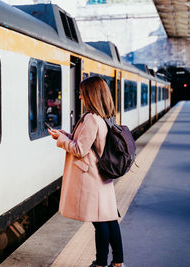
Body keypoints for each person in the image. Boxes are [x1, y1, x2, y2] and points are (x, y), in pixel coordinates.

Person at [48, 76, 125, 267]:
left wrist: (61, 141)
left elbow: (81, 150)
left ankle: (100, 264)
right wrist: (64, 135)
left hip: (92, 177)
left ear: (91, 95)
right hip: (101, 175)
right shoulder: (104, 116)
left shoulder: (91, 118)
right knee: (109, 219)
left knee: (100, 223)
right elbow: (85, 142)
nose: (80, 97)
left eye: (82, 94)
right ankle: (117, 262)